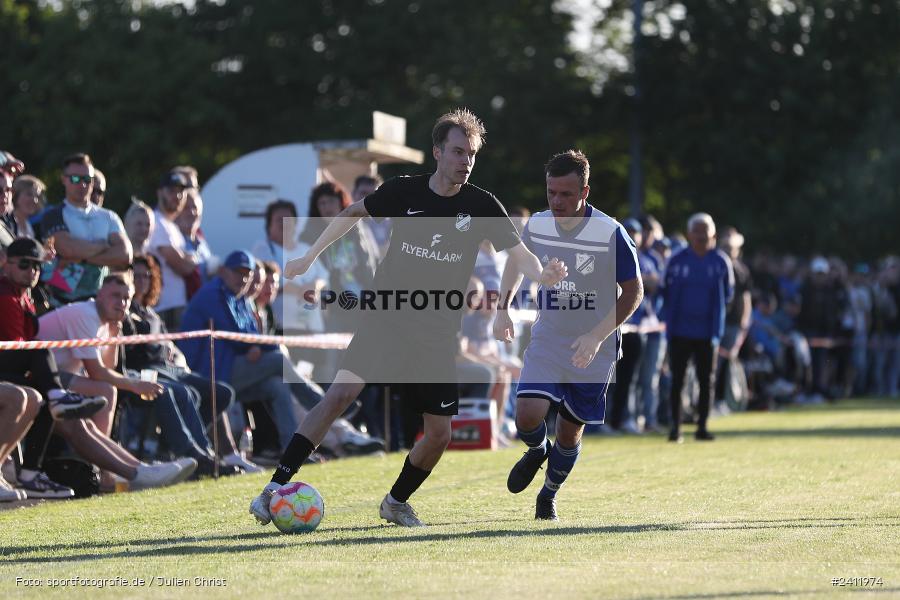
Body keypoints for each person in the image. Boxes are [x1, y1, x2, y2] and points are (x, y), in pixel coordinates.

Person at [250, 108, 566, 527]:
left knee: (439, 434)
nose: (465, 161)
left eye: (471, 154)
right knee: (339, 396)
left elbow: (518, 253)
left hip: (436, 333)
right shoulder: (405, 191)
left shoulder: (481, 203)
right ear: (437, 152)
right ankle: (274, 487)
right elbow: (350, 214)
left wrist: (541, 273)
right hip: (387, 316)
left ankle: (395, 501)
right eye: (457, 152)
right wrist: (309, 256)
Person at [493, 150, 643, 520]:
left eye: (565, 194)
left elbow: (633, 292)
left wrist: (595, 336)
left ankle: (549, 494)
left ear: (585, 192)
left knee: (569, 432)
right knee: (527, 415)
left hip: (596, 346)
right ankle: (534, 450)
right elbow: (515, 261)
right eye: (551, 193)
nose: (556, 202)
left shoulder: (611, 233)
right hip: (550, 335)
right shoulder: (538, 225)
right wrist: (503, 308)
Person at [662, 213, 734, 442]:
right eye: (697, 230)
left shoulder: (721, 262)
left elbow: (729, 294)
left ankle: (702, 426)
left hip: (708, 333)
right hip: (679, 331)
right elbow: (665, 290)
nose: (701, 236)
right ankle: (676, 427)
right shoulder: (676, 260)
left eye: (706, 231)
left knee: (706, 380)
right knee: (678, 380)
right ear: (689, 233)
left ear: (713, 234)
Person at [38, 153, 132, 306]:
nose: (82, 185)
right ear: (64, 179)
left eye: (87, 180)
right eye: (75, 179)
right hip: (63, 303)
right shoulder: (53, 215)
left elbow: (124, 255)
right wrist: (104, 245)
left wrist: (82, 257)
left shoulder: (108, 216)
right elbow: (68, 249)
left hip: (101, 303)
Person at [148, 170, 193, 329]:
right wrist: (190, 260)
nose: (177, 196)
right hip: (163, 306)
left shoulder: (171, 225)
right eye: (171, 191)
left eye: (181, 191)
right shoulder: (157, 222)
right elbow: (182, 266)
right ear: (159, 192)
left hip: (174, 304)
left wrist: (187, 260)